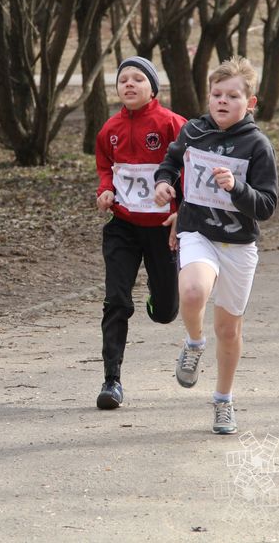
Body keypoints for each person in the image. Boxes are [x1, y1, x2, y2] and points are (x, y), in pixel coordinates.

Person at [154, 56, 278, 434]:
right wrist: (164, 183)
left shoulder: (257, 145)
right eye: (216, 94)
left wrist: (236, 188)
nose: (222, 101)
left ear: (250, 103)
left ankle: (223, 401)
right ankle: (193, 342)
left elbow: (267, 205)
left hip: (238, 244)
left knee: (229, 330)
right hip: (198, 232)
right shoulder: (193, 132)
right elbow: (171, 163)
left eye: (233, 96)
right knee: (192, 292)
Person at [95, 56, 187, 410]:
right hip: (123, 226)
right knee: (116, 301)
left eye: (137, 78)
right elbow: (105, 163)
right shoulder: (110, 128)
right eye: (123, 80)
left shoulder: (171, 124)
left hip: (162, 228)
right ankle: (111, 380)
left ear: (152, 87)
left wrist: (181, 210)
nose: (129, 84)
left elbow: (190, 168)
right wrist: (106, 189)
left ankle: (157, 297)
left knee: (165, 311)